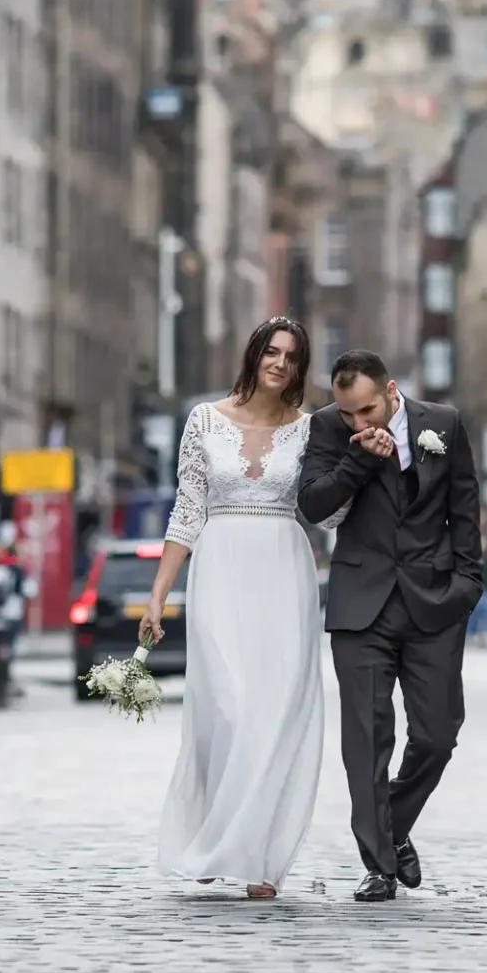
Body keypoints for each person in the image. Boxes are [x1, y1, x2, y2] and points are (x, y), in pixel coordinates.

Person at [145, 318, 328, 900]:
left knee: (273, 715)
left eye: (291, 357)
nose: (279, 363)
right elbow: (186, 511)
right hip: (220, 569)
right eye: (271, 352)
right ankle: (214, 836)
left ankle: (259, 862)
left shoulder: (309, 430)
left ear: (300, 368)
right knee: (225, 706)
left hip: (284, 569)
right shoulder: (203, 419)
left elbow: (329, 511)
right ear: (253, 356)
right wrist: (158, 595)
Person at [298, 346, 482, 903]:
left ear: (391, 392)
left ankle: (393, 826)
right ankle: (378, 864)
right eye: (347, 412)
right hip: (361, 605)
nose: (357, 421)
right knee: (366, 739)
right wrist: (361, 458)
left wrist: (467, 585)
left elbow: (465, 506)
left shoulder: (443, 424)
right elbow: (312, 502)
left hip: (433, 601)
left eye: (367, 411)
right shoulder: (327, 429)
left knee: (437, 734)